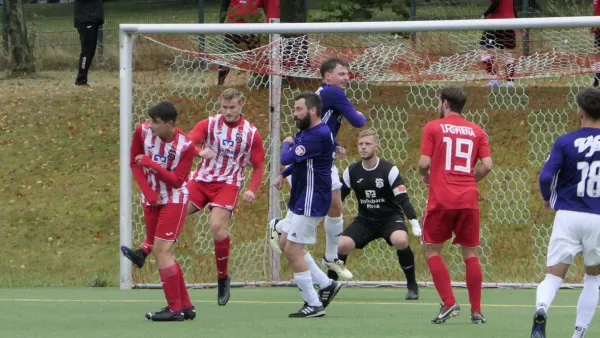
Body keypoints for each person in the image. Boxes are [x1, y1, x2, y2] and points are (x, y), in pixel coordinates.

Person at [270, 58, 366, 281]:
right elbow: (358, 121)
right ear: (327, 76)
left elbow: (322, 129)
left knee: (334, 206)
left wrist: (335, 145)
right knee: (322, 209)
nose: (346, 77)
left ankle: (328, 260)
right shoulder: (333, 93)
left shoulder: (325, 94)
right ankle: (281, 227)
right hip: (309, 168)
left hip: (314, 161)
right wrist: (361, 114)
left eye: (347, 73)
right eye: (341, 73)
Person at [418, 87, 493, 324]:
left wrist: (426, 175)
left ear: (446, 103)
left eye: (438, 101)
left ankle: (449, 302)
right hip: (468, 200)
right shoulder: (477, 131)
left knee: (431, 249)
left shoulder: (433, 127)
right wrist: (471, 180)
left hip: (442, 198)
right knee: (470, 254)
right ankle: (477, 311)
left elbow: (423, 163)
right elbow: (488, 165)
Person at [530, 88, 600, 338]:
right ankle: (578, 334)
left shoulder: (565, 141)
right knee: (593, 278)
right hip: (598, 218)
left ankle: (541, 309)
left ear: (580, 111)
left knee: (553, 276)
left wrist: (547, 198)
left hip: (568, 215)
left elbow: (546, 175)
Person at [121, 102, 197, 321]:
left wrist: (151, 164)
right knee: (160, 250)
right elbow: (133, 162)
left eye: (156, 122)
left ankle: (174, 310)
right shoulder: (142, 131)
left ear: (170, 124)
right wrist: (149, 193)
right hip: (151, 199)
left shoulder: (186, 145)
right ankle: (186, 306)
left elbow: (178, 181)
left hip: (174, 198)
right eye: (151, 121)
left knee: (161, 250)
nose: (151, 126)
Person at [331, 129, 422, 300]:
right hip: (365, 220)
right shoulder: (352, 171)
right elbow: (338, 198)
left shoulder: (389, 170)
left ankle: (412, 284)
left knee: (401, 240)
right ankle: (329, 285)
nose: (363, 147)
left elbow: (403, 199)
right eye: (360, 144)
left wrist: (414, 222)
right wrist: (324, 214)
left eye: (367, 144)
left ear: (377, 147)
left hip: (390, 218)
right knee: (341, 245)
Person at [278, 91, 338, 318]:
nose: (295, 114)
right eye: (294, 109)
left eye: (298, 109)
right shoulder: (309, 131)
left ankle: (313, 304)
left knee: (293, 250)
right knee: (285, 242)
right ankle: (326, 285)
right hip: (301, 197)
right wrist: (283, 175)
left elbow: (287, 156)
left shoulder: (318, 134)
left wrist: (286, 143)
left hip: (312, 200)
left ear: (312, 110)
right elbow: (298, 162)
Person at [217, 0, 263, 85]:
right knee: (226, 57)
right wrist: (221, 23)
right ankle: (220, 83)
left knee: (257, 57)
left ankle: (259, 83)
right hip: (233, 28)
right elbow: (224, 5)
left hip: (252, 29)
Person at [480, 0, 517, 88]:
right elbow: (512, 7)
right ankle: (510, 82)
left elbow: (496, 3)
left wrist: (485, 14)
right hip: (510, 23)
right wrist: (516, 21)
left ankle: (494, 79)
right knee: (508, 53)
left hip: (496, 23)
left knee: (484, 51)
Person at [73, 0, 104, 86]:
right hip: (86, 19)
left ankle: (82, 79)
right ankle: (80, 80)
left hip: (92, 19)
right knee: (87, 51)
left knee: (90, 51)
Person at [592, 0, 600, 87]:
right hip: (598, 29)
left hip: (598, 28)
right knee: (598, 55)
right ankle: (596, 78)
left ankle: (596, 78)